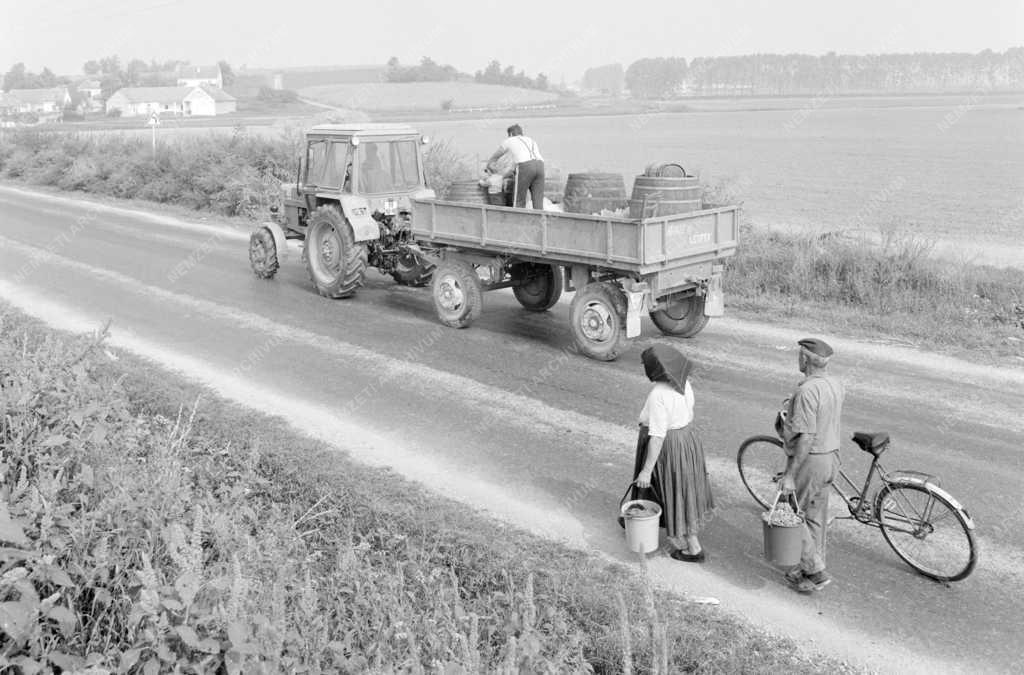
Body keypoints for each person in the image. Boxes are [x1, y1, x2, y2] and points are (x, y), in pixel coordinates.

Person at [632, 344, 715, 562]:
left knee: (676, 490)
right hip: (687, 439)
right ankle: (669, 527)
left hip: (669, 445)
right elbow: (690, 410)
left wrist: (646, 471)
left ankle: (692, 547)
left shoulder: (659, 394)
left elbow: (658, 436)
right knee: (686, 489)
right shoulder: (684, 383)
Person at [779, 337, 845, 593]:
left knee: (791, 512)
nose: (797, 359)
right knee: (815, 517)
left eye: (799, 355)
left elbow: (806, 437)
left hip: (812, 460)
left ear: (805, 359)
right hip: (832, 457)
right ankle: (808, 572)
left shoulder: (807, 391)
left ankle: (815, 570)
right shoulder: (835, 384)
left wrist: (789, 475)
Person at [485, 124, 545, 209]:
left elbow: (495, 156)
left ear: (510, 134)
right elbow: (516, 166)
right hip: (540, 166)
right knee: (538, 200)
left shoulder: (509, 140)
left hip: (525, 166)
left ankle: (518, 221)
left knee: (519, 200)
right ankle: (541, 221)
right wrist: (504, 175)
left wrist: (489, 164)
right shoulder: (531, 140)